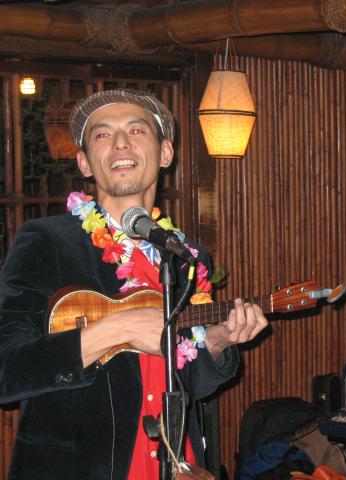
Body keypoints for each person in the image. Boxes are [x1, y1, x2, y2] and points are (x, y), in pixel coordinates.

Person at [0, 89, 268, 479]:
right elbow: (7, 370)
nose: (121, 142)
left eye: (136, 130)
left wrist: (216, 342)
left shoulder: (187, 257)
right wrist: (118, 329)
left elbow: (186, 382)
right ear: (85, 162)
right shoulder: (46, 241)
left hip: (173, 464)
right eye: (102, 134)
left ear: (165, 153)